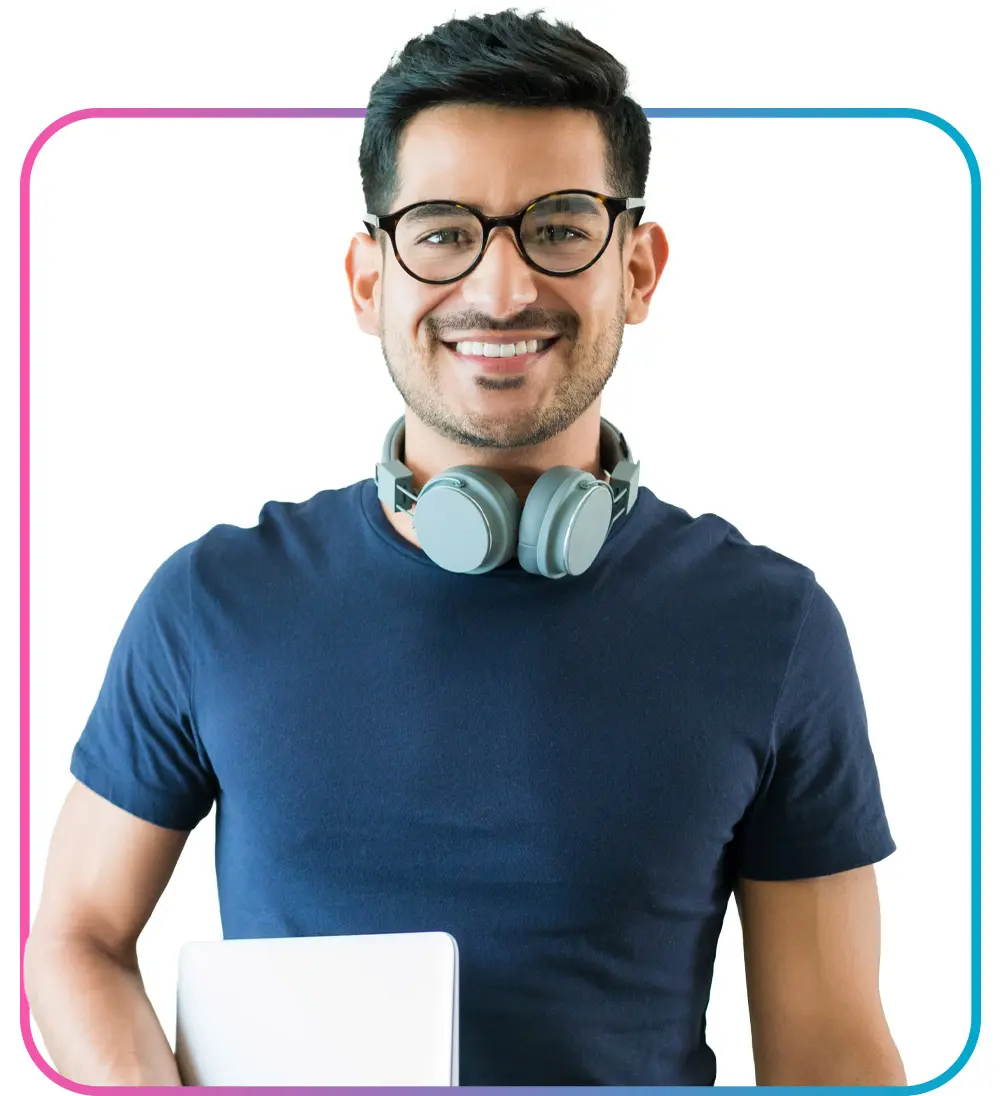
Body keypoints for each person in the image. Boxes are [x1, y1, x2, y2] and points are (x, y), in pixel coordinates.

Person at [24, 8, 906, 1087]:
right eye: (442, 230)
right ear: (366, 279)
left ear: (637, 268)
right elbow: (73, 937)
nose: (500, 289)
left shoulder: (773, 628)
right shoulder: (211, 601)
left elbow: (828, 1051)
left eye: (560, 226)